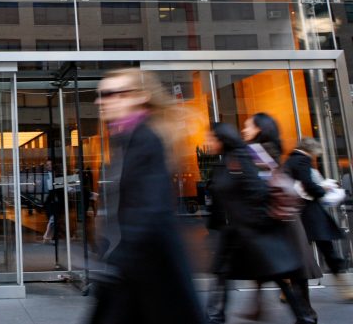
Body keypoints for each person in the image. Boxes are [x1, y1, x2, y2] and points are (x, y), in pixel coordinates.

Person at [89, 68, 204, 324]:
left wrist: (118, 256)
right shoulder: (126, 138)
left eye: (109, 94)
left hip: (144, 268)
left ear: (137, 97)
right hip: (137, 269)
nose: (100, 101)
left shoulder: (145, 139)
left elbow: (149, 208)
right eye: (100, 94)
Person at [205, 123, 315, 324]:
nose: (208, 142)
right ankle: (216, 315)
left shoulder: (241, 159)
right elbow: (221, 199)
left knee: (276, 275)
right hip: (235, 231)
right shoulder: (224, 163)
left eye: (211, 138)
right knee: (222, 273)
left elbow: (258, 192)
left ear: (222, 139)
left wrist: (257, 223)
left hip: (252, 231)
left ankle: (304, 315)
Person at [285, 137, 353, 302]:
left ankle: (287, 291)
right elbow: (308, 185)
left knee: (298, 252)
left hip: (298, 213)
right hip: (310, 214)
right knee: (328, 251)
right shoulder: (302, 160)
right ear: (311, 150)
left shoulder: (289, 161)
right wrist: (323, 190)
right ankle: (346, 288)